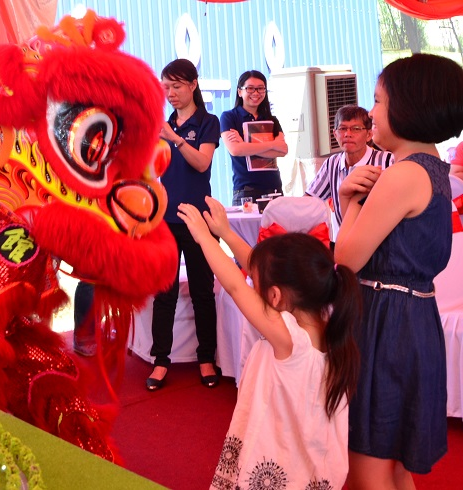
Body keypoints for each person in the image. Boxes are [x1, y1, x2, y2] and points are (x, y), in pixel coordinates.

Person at [334, 53, 463, 488]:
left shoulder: (402, 175)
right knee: (392, 464)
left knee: (368, 466)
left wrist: (350, 199)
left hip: (386, 325)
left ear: (409, 107)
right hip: (410, 319)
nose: (370, 114)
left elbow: (344, 259)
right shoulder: (433, 169)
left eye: (378, 102)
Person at [178, 197, 360, 490]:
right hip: (313, 463)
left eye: (258, 285)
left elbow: (236, 285)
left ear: (274, 297)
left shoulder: (289, 338)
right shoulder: (327, 320)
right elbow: (257, 268)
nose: (253, 284)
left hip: (280, 465)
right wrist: (225, 232)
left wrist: (203, 238)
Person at [146, 59, 220, 390]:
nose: (171, 93)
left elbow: (202, 163)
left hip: (199, 220)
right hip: (166, 219)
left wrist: (175, 139)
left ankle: (207, 358)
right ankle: (160, 360)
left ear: (193, 85)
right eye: (166, 88)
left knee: (203, 291)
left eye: (176, 86)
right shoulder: (163, 125)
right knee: (165, 292)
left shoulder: (208, 122)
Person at [305, 105, 393, 234]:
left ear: (369, 135)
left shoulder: (387, 161)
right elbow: (309, 201)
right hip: (346, 239)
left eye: (356, 129)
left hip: (381, 239)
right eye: (342, 128)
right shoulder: (332, 163)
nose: (348, 134)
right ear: (335, 134)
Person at [220, 70, 288, 205]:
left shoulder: (271, 119)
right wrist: (272, 144)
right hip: (246, 190)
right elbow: (235, 150)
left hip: (274, 188)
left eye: (261, 88)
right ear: (240, 92)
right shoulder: (229, 117)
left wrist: (245, 145)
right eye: (250, 88)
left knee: (276, 227)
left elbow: (283, 150)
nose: (256, 93)